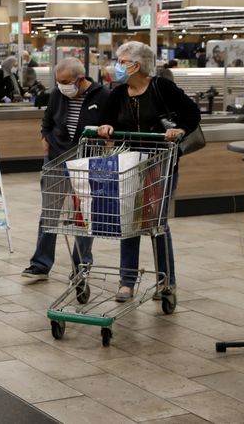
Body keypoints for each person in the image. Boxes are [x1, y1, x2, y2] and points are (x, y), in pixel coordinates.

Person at [96, 41, 200, 302]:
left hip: (161, 166)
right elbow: (105, 119)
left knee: (156, 224)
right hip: (129, 164)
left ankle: (166, 281)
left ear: (136, 65)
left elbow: (192, 113)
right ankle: (126, 282)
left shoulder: (161, 87)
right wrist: (105, 127)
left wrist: (180, 129)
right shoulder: (118, 93)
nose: (116, 66)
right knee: (129, 223)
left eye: (121, 61)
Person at [22, 58, 110, 280]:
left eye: (65, 81)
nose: (61, 86)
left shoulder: (103, 96)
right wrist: (45, 137)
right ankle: (40, 264)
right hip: (56, 159)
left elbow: (110, 126)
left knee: (85, 216)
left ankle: (81, 264)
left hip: (87, 162)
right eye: (58, 81)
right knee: (49, 214)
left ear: (81, 79)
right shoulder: (57, 94)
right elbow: (47, 120)